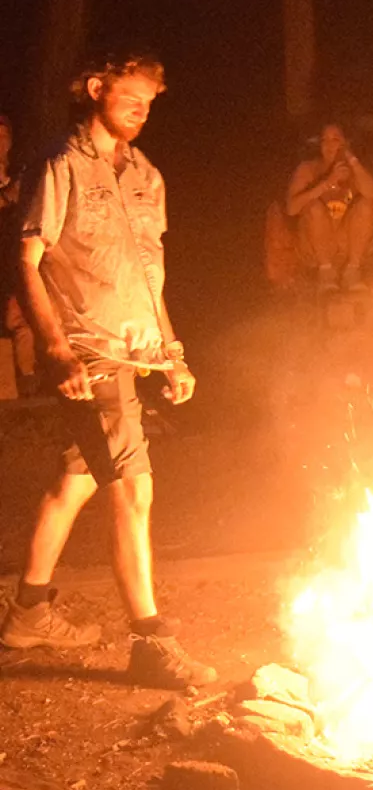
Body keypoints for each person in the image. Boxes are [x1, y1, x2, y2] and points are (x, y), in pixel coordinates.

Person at [0, 52, 215, 687]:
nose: (140, 110)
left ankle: (26, 615)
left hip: (133, 350)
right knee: (133, 489)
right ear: (96, 91)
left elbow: (151, 276)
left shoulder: (146, 175)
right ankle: (150, 640)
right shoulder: (59, 164)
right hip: (85, 351)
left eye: (149, 102)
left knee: (79, 478)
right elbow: (27, 259)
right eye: (129, 97)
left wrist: (171, 352)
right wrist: (57, 347)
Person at [285, 122, 373, 291]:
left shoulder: (354, 169)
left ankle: (352, 270)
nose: (329, 145)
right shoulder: (308, 169)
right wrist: (327, 183)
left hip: (345, 243)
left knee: (366, 205)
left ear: (345, 144)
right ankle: (326, 272)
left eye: (335, 139)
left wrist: (352, 161)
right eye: (324, 140)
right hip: (316, 246)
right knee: (313, 207)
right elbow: (292, 208)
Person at [0, 113, 36, 391]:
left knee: (20, 318)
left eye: (4, 136)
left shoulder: (19, 176)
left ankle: (27, 381)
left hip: (13, 260)